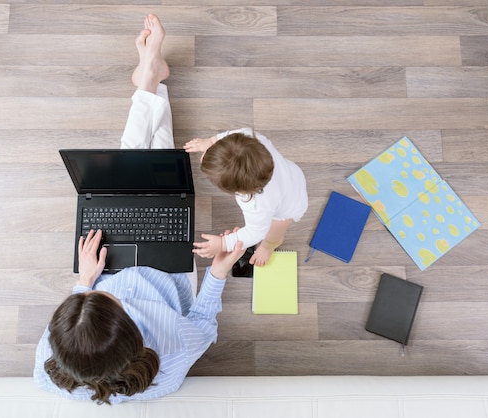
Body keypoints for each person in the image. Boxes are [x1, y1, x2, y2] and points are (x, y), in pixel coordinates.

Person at [33, 14, 247, 405]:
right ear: (133, 335)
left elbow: (80, 309)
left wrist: (86, 283)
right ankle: (149, 79)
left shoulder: (49, 365)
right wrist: (219, 270)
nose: (117, 294)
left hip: (105, 263)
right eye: (109, 301)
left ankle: (151, 79)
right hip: (170, 274)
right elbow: (202, 323)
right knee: (155, 177)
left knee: (131, 175)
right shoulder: (172, 356)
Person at [184, 129, 308, 267]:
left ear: (237, 191)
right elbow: (238, 135)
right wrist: (212, 141)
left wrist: (224, 244)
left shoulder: (257, 205)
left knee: (273, 234)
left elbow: (254, 232)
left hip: (290, 207)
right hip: (292, 174)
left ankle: (268, 247)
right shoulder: (253, 138)